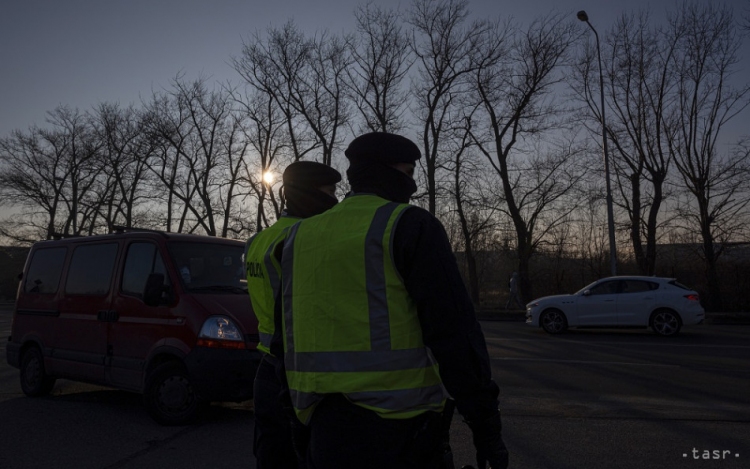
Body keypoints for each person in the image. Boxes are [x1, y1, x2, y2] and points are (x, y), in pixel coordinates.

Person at [279, 132, 508, 469]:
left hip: (321, 429)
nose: (412, 183)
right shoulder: (408, 225)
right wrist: (485, 426)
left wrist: (298, 427)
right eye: (409, 172)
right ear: (390, 172)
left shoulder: (298, 237)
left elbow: (284, 338)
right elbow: (453, 332)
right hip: (399, 434)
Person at [246, 160, 342, 469]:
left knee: (271, 455)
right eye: (329, 191)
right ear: (310, 193)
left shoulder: (257, 241)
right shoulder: (305, 240)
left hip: (266, 367)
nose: (334, 199)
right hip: (299, 370)